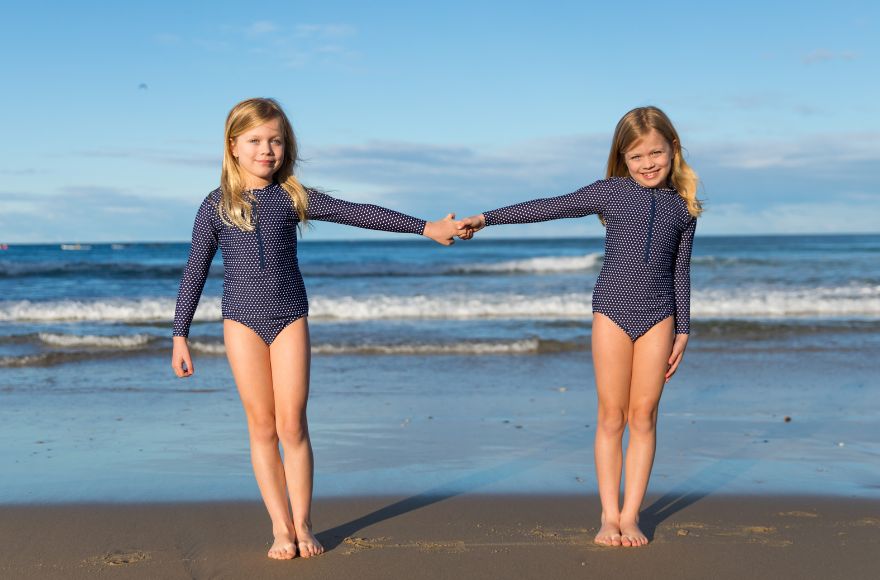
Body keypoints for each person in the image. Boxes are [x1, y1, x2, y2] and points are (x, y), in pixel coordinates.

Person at [171, 97, 461, 560]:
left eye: (276, 141)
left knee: (292, 424)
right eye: (255, 141)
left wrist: (425, 227)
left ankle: (303, 522)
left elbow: (360, 212)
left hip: (289, 318)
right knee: (262, 427)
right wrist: (179, 335)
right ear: (233, 146)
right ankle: (279, 527)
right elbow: (195, 270)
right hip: (240, 323)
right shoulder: (216, 205)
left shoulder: (293, 197)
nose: (267, 150)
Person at [457, 106, 701, 547]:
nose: (647, 164)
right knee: (611, 416)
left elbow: (680, 271)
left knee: (643, 417)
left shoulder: (684, 208)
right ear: (622, 159)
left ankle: (632, 515)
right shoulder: (610, 193)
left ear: (673, 149)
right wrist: (487, 218)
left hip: (659, 317)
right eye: (636, 156)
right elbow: (549, 207)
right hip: (611, 312)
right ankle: (609, 516)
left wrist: (683, 327)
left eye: (655, 153)